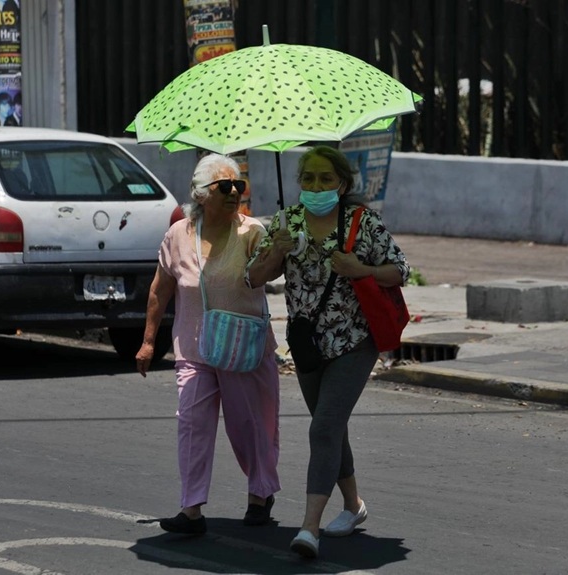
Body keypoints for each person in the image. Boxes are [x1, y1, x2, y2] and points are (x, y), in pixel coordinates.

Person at [246, 145, 410, 558]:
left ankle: (308, 528)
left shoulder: (361, 222)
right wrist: (277, 251)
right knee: (330, 426)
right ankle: (353, 506)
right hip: (307, 345)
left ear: (341, 183)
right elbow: (253, 278)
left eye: (324, 179)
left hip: (356, 340)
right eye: (308, 179)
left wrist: (363, 270)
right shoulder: (286, 222)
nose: (315, 186)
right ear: (298, 182)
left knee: (322, 429)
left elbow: (399, 270)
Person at [136, 153, 281, 535]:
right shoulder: (178, 235)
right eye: (224, 186)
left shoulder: (253, 232)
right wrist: (148, 342)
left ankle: (260, 493)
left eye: (238, 185)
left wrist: (279, 248)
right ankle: (191, 508)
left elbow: (266, 275)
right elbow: (159, 289)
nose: (234, 192)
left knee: (250, 425)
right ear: (201, 194)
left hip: (243, 347)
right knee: (192, 425)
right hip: (195, 349)